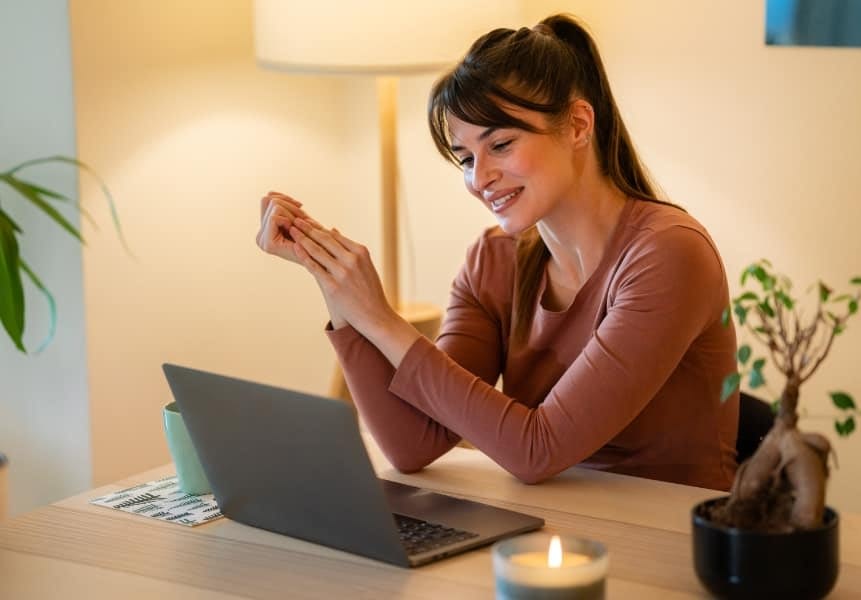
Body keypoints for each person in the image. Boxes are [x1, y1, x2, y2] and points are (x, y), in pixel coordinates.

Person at [256, 14, 738, 491]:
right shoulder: (494, 260)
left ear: (576, 124)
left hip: (666, 543)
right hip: (548, 533)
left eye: (501, 144)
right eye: (465, 158)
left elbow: (537, 449)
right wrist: (337, 284)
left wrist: (380, 319)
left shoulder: (668, 254)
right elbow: (412, 444)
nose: (479, 178)